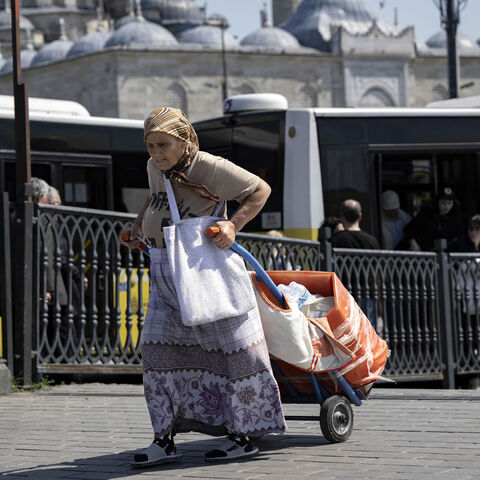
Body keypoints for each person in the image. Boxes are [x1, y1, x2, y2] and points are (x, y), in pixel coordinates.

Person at [119, 107, 286, 467]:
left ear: (184, 140)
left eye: (163, 144)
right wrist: (138, 229)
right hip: (164, 270)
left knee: (236, 351)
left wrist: (232, 226)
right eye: (150, 145)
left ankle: (244, 435)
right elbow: (153, 200)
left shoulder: (209, 166)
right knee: (157, 352)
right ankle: (163, 440)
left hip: (204, 272)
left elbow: (260, 190)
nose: (156, 153)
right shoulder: (155, 168)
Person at [404, 186, 464, 252]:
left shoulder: (456, 218)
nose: (446, 207)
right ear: (437, 202)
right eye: (443, 203)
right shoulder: (426, 213)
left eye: (449, 203)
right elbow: (409, 229)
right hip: (422, 252)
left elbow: (458, 239)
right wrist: (413, 242)